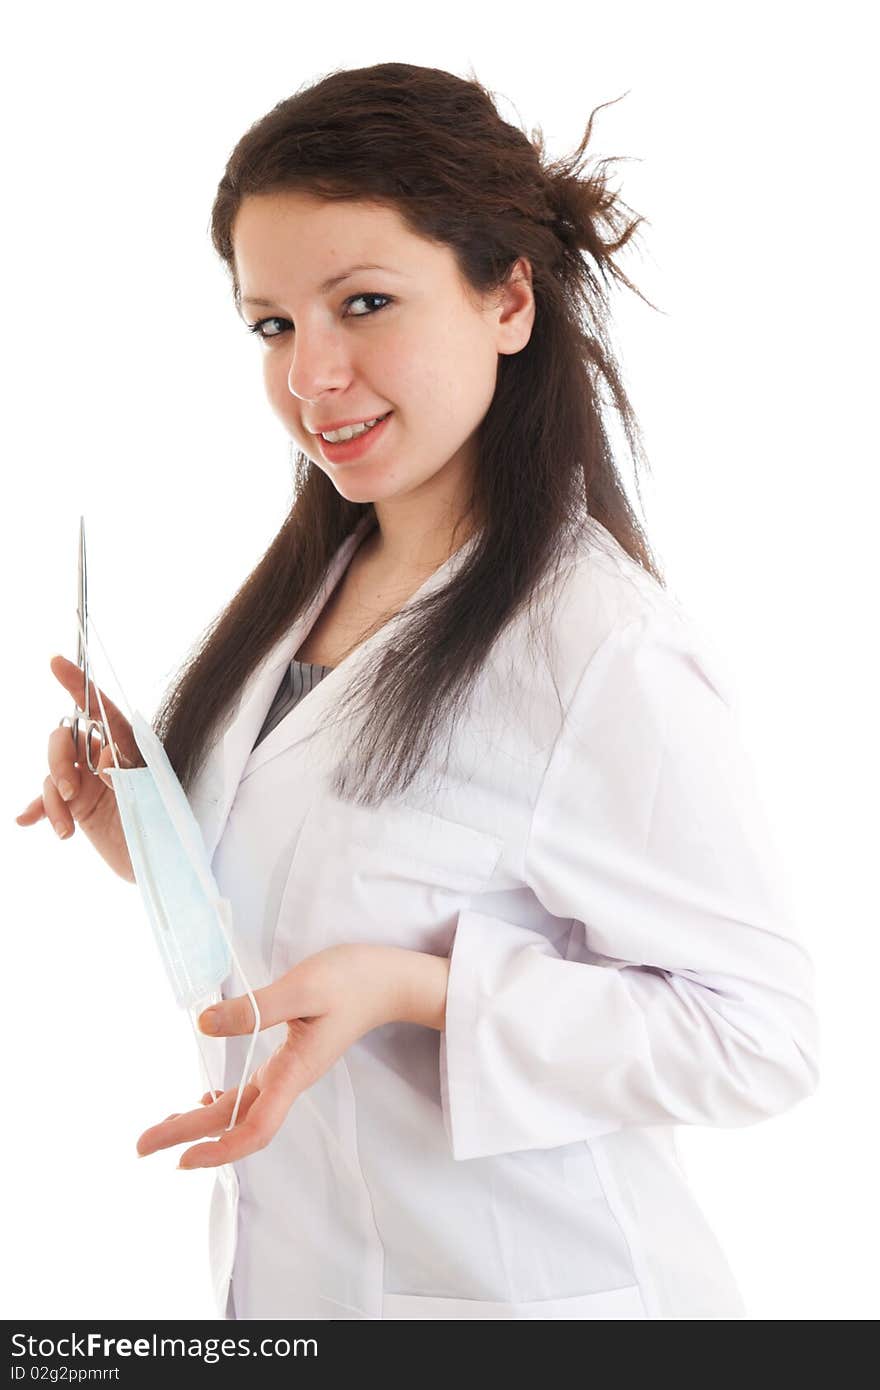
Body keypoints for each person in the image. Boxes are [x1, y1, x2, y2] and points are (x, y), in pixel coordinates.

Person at [17, 62, 820, 1321]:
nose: (311, 376)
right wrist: (157, 838)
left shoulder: (603, 649)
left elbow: (762, 1041)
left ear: (509, 300)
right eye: (274, 324)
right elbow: (314, 887)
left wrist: (419, 991)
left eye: (367, 303)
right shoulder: (307, 589)